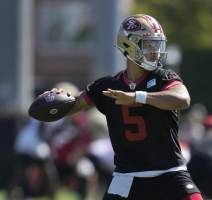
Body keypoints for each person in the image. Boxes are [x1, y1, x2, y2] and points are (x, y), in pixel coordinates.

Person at [44, 14, 203, 200]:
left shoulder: (162, 77)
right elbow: (74, 105)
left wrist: (138, 97)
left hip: (169, 173)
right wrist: (53, 102)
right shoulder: (107, 86)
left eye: (157, 44)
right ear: (129, 46)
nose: (156, 51)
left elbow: (182, 98)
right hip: (127, 177)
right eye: (149, 45)